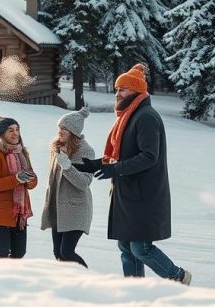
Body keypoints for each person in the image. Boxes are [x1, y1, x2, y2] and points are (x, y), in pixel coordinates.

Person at [77, 63, 192, 285]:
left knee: (141, 248)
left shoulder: (146, 116)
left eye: (123, 89)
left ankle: (178, 276)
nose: (117, 94)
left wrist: (114, 169)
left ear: (137, 91)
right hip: (127, 192)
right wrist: (96, 164)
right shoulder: (128, 116)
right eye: (117, 89)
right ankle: (135, 288)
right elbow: (122, 154)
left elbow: (150, 156)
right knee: (126, 246)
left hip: (144, 194)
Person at [41, 106, 94, 267]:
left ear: (74, 131)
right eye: (59, 127)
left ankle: (88, 278)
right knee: (58, 253)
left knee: (67, 252)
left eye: (64, 128)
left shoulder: (86, 152)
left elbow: (84, 183)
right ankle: (69, 284)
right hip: (57, 208)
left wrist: (67, 166)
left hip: (76, 209)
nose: (60, 131)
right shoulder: (56, 147)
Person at [0, 115, 38, 259]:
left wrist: (29, 180)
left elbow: (32, 180)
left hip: (19, 215)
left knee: (18, 253)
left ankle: (11, 281)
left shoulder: (22, 152)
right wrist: (17, 178)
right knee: (2, 254)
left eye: (17, 129)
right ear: (2, 134)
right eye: (10, 130)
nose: (15, 133)